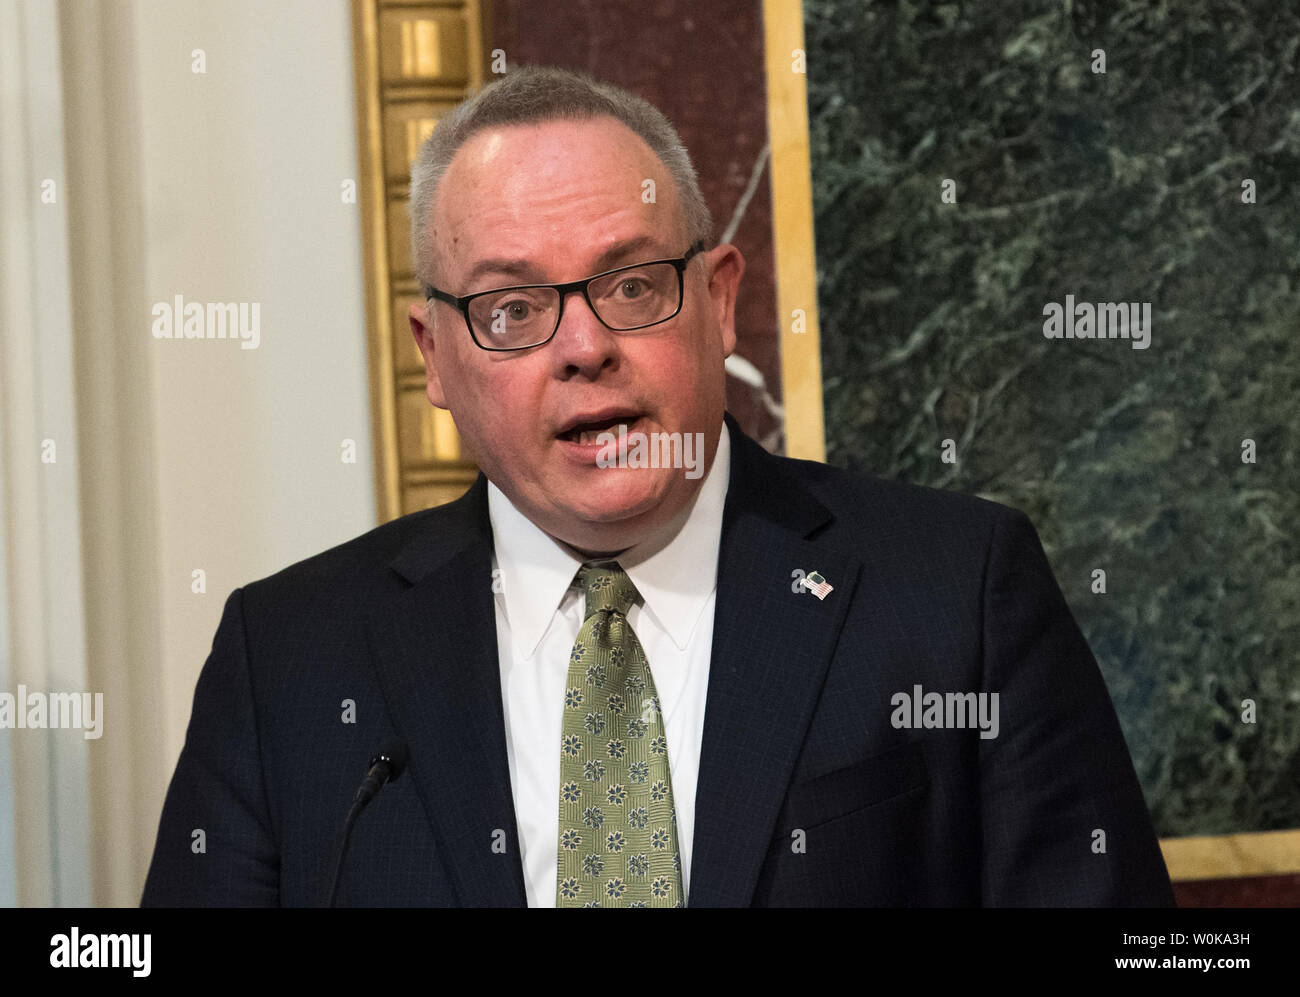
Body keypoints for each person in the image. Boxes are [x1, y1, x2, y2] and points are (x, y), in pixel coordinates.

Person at [142, 65, 1174, 907]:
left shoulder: (955, 595)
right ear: (436, 358)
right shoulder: (288, 660)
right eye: (511, 309)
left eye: (632, 286)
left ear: (719, 302)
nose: (584, 347)